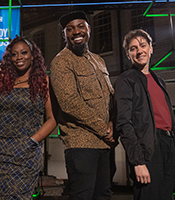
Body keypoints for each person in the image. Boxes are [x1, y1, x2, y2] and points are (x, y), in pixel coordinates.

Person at [50, 11, 115, 200]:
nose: (75, 32)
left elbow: (109, 98)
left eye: (80, 26)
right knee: (82, 195)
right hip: (81, 144)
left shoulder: (99, 60)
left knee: (104, 194)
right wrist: (103, 129)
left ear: (89, 30)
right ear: (65, 35)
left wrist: (112, 123)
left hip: (104, 143)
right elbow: (70, 103)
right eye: (69, 29)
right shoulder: (61, 61)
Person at [114, 29, 175, 200]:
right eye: (133, 48)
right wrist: (137, 161)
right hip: (147, 149)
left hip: (168, 146)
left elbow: (170, 118)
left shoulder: (159, 81)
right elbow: (124, 123)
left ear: (151, 48)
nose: (139, 51)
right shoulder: (126, 80)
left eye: (143, 45)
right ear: (128, 54)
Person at [0, 36, 56, 199]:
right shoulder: (2, 82)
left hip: (25, 153)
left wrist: (32, 141)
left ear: (32, 56)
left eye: (24, 53)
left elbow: (52, 119)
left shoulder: (43, 82)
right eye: (14, 54)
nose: (19, 57)